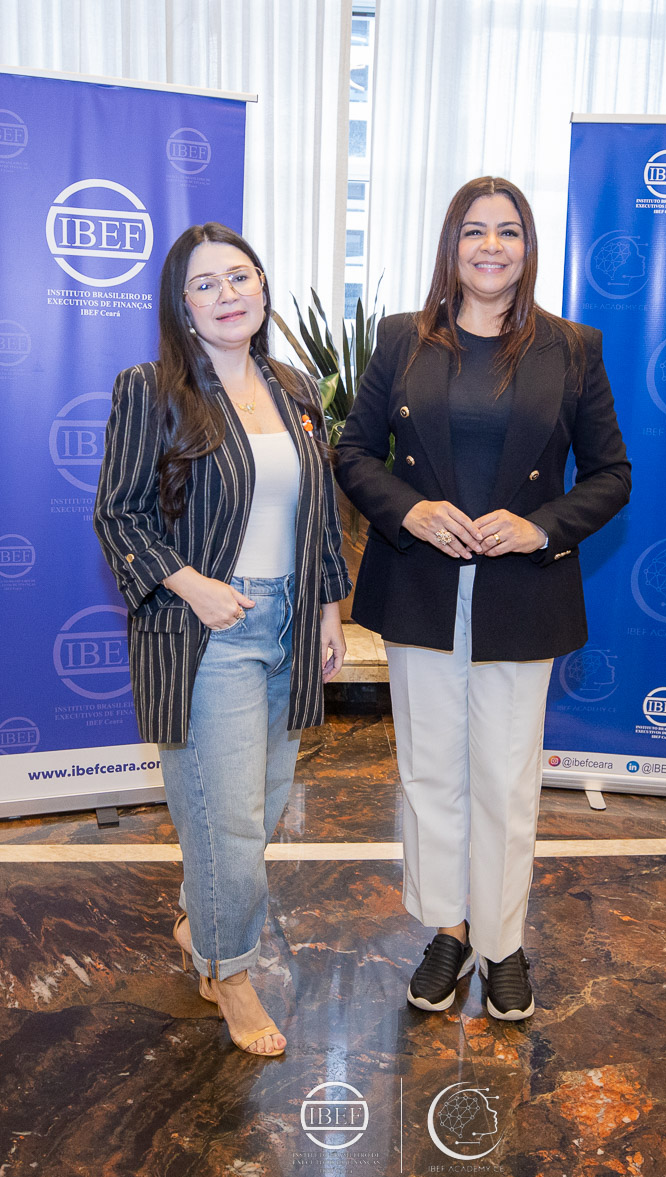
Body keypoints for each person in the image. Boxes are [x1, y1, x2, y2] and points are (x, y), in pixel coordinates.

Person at [335, 177, 630, 1021]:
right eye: (474, 231)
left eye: (508, 231)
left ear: (528, 247)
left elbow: (611, 474)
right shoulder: (402, 338)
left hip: (520, 593)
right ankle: (449, 931)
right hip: (420, 586)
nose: (490, 246)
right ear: (451, 245)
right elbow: (353, 452)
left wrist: (541, 527)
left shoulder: (573, 348)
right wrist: (410, 510)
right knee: (430, 771)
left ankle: (504, 944)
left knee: (505, 778)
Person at [94, 223, 350, 1056]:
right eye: (204, 284)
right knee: (229, 824)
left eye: (240, 277)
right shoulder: (152, 389)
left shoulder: (294, 386)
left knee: (258, 810)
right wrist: (193, 585)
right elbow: (119, 514)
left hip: (289, 621)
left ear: (263, 288)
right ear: (181, 305)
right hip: (209, 631)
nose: (227, 294)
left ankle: (199, 924)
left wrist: (328, 610)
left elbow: (318, 512)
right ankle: (229, 974)